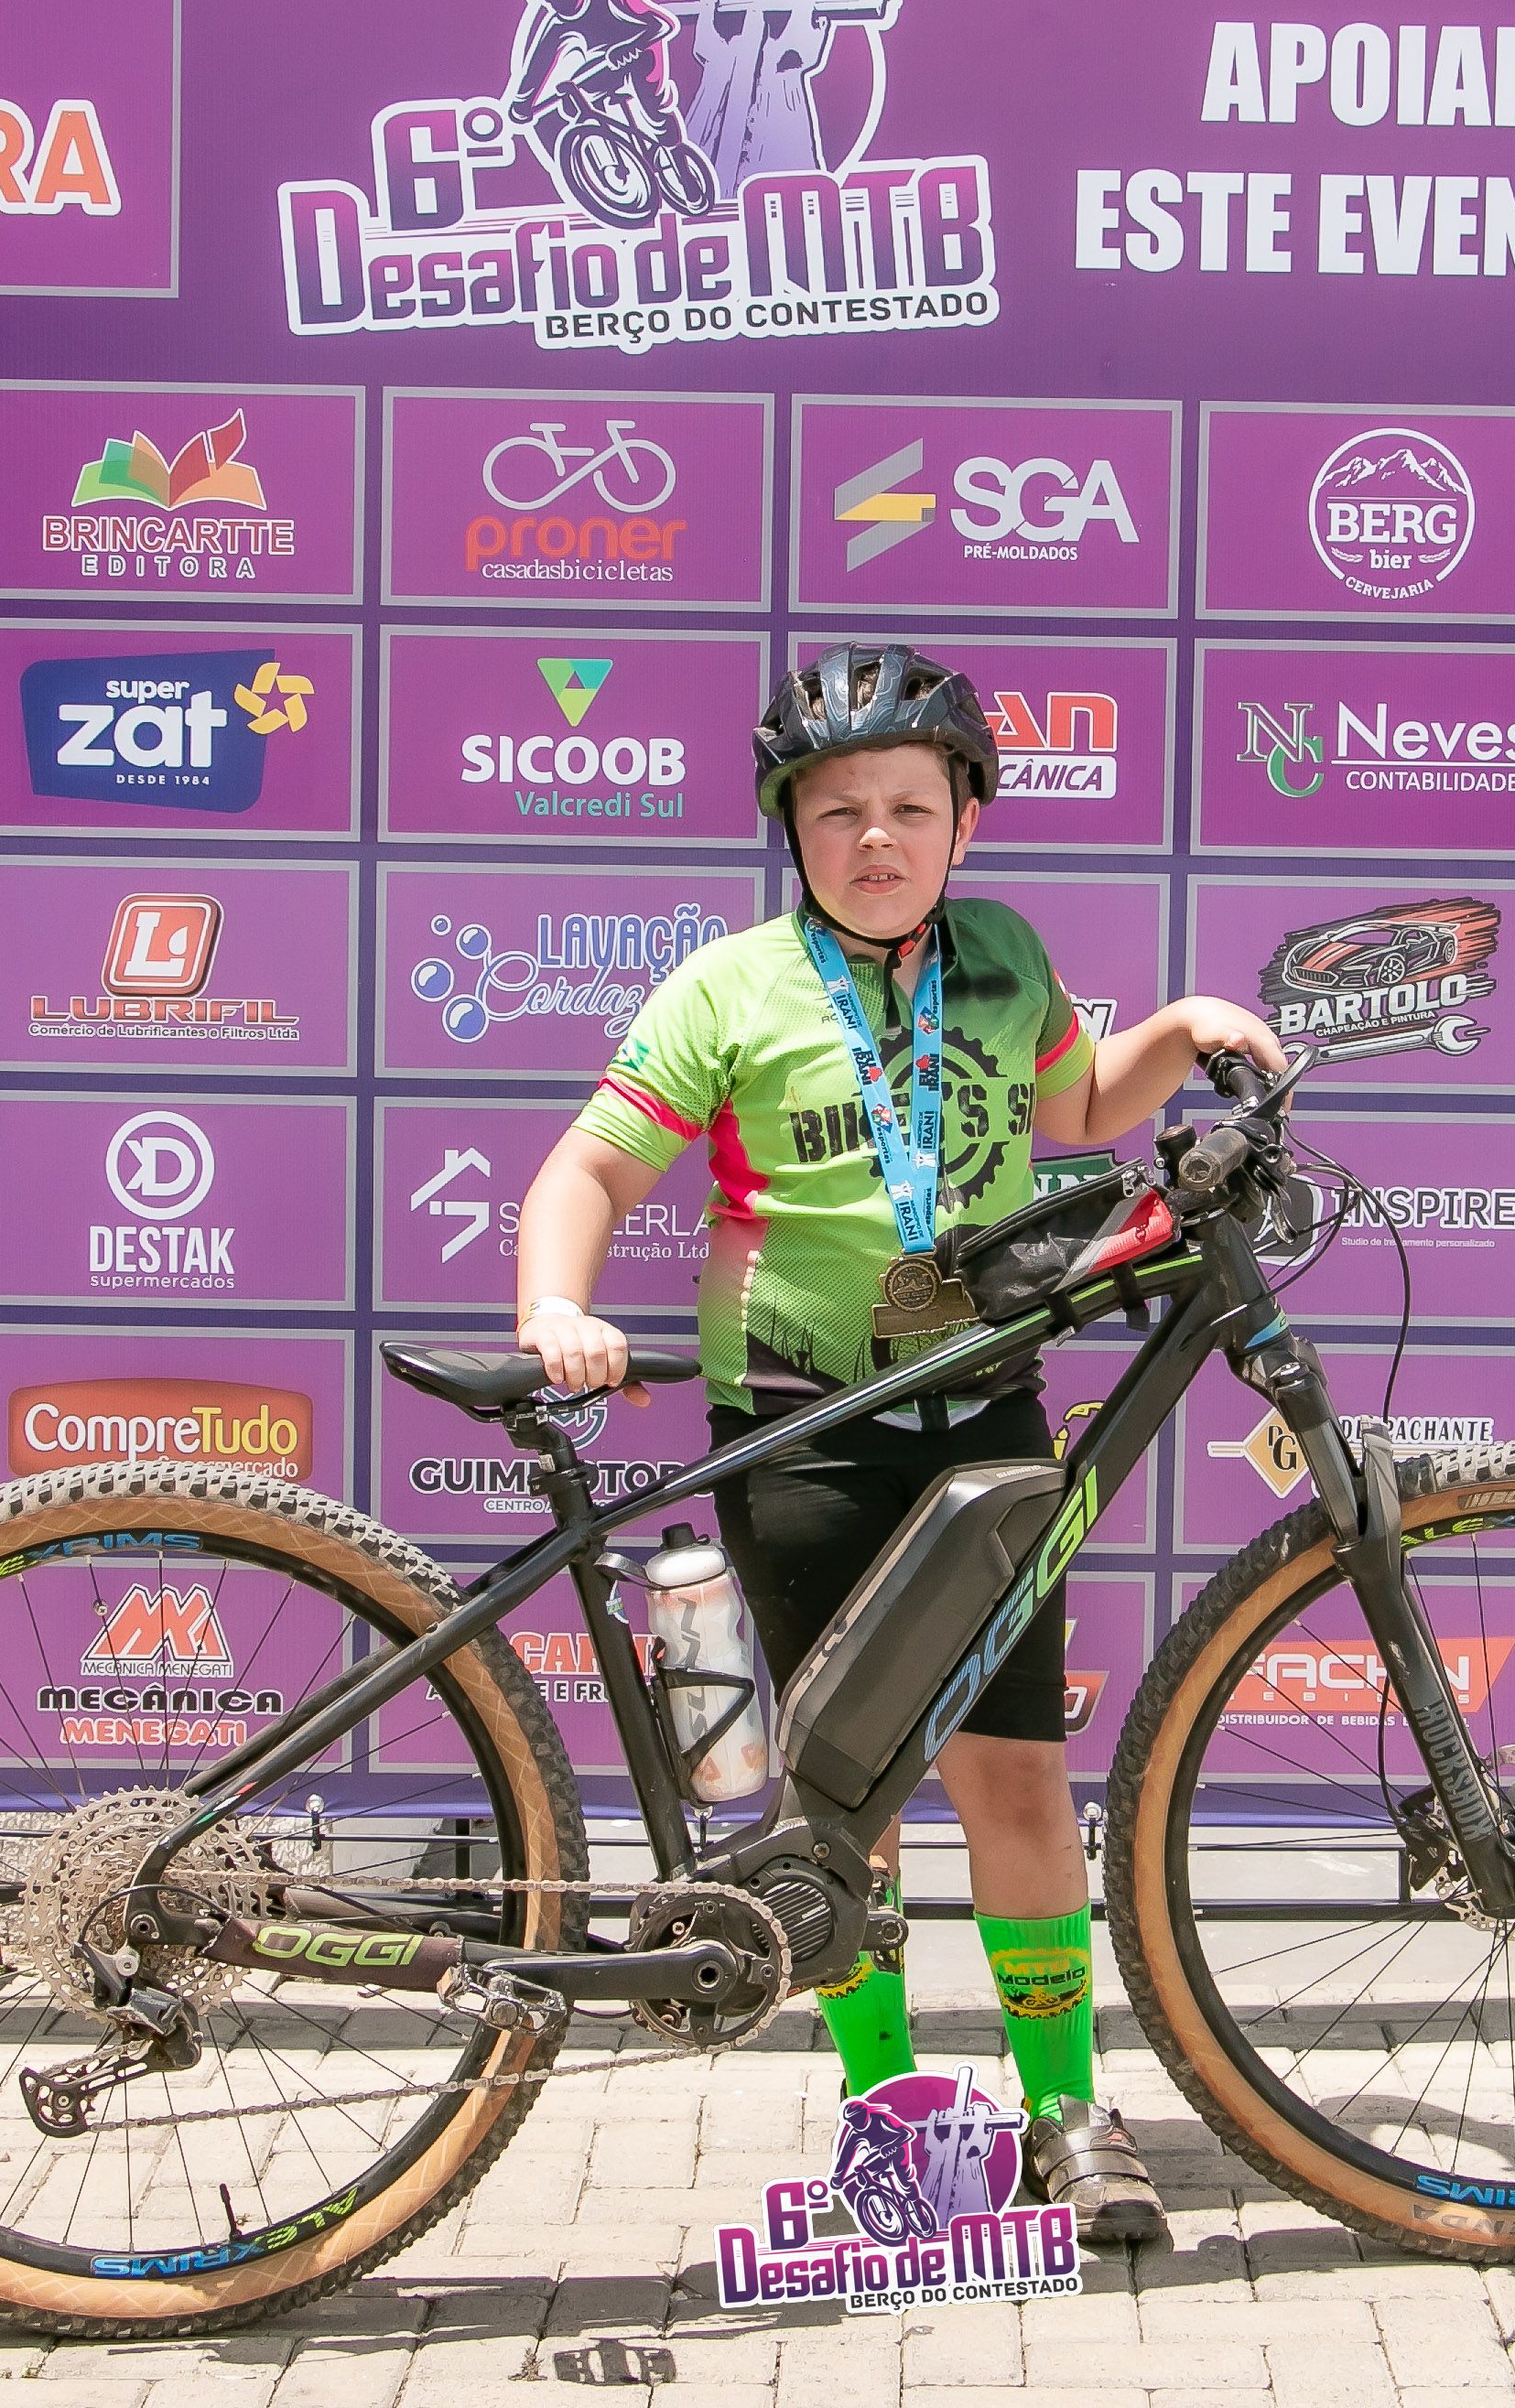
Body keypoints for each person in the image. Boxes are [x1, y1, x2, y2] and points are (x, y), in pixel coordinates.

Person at [512, 642, 1284, 2248]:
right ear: (790, 830)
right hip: (801, 1435)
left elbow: (1079, 1107)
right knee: (830, 1813)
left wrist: (1179, 1025)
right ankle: (891, 2115)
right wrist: (555, 1306)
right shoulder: (726, 987)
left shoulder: (1000, 954)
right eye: (836, 810)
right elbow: (587, 1169)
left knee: (1017, 1777)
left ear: (964, 823)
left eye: (910, 808)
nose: (874, 837)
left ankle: (1064, 2108)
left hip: (985, 1420)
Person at [505, 0, 687, 150]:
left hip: (642, 55)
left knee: (653, 109)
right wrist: (522, 102)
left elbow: (662, 25)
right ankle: (613, 149)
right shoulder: (558, 23)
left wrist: (630, 45)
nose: (557, 5)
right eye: (550, 0)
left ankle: (674, 150)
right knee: (573, 102)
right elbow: (539, 65)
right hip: (605, 63)